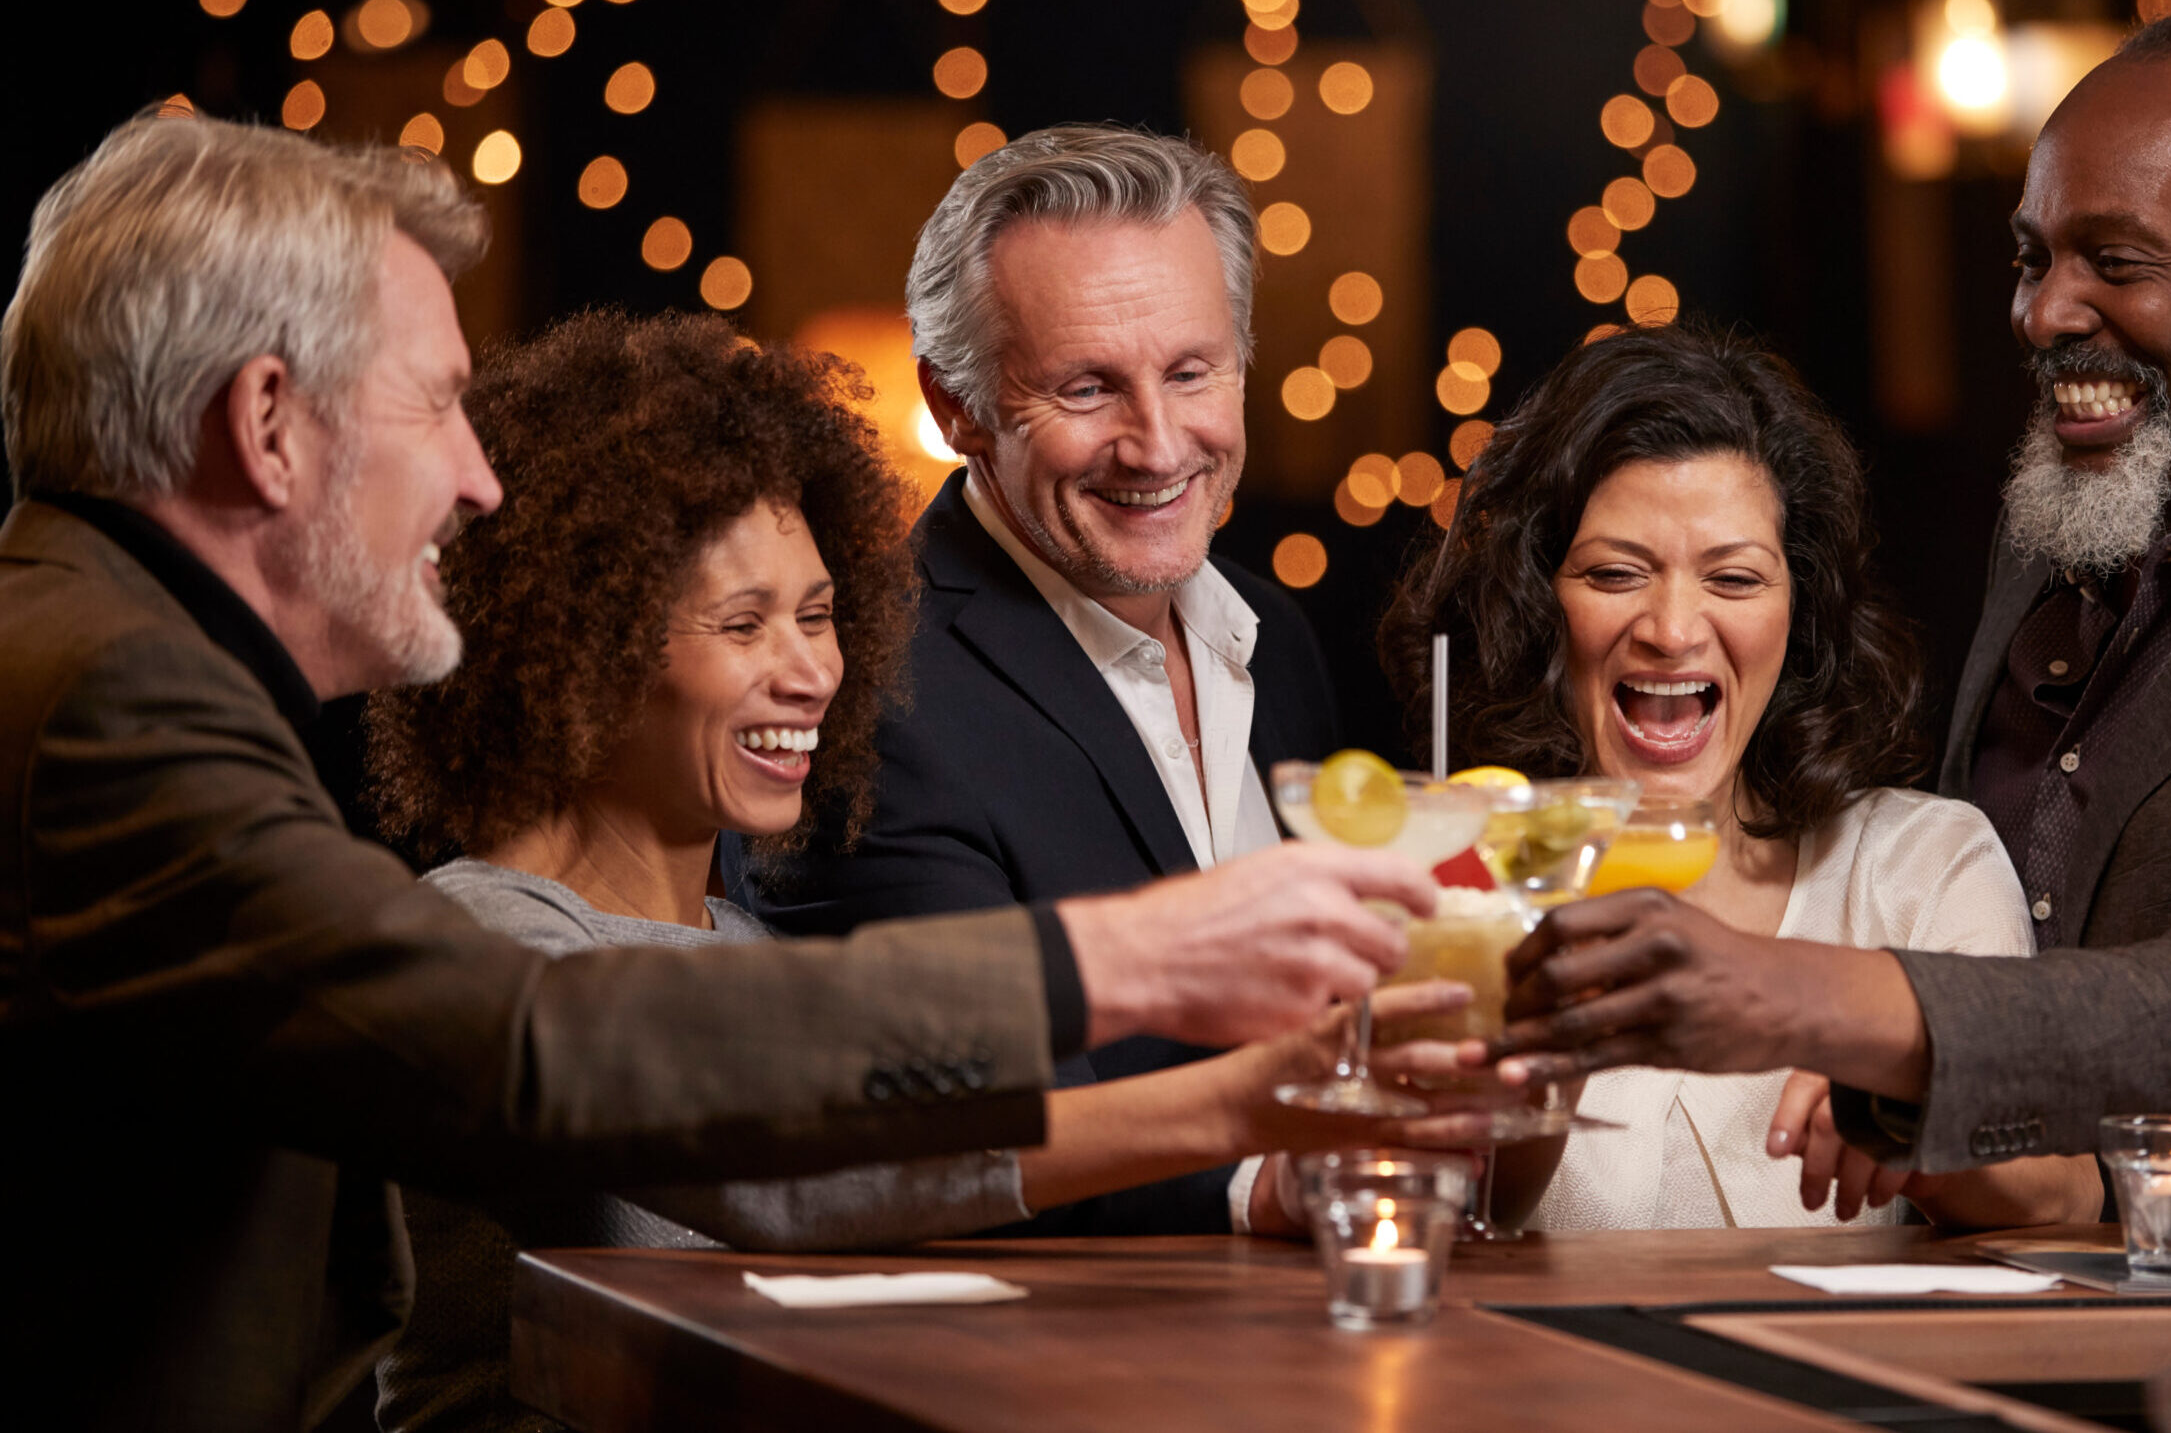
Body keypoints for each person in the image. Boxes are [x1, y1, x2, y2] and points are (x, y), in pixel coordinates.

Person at [0, 112, 1434, 1432]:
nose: (475, 477)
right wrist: (1120, 963)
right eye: (434, 403)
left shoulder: (98, 649)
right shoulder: (110, 696)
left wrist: (1236, 1105)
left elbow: (796, 1156)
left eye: (814, 616)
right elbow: (548, 1048)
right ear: (266, 423)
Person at [1492, 8, 2171, 1221]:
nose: (2044, 315)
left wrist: (1799, 994)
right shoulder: (2062, 522)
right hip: (2000, 1329)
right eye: (2033, 257)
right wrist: (1909, 1099)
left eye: (2118, 261)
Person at [363, 309, 1473, 1433]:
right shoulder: (479, 936)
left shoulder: (748, 941)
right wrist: (1237, 1100)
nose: (813, 673)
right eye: (744, 625)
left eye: (820, 614)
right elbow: (794, 1164)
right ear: (576, 656)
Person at [723, 125, 1341, 1235]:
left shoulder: (1277, 639)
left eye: (1192, 371)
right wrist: (1261, 1181)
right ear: (957, 408)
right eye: (1087, 388)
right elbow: (932, 1120)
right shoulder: (859, 691)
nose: (1157, 446)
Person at [1380, 324, 2099, 1230]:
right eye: (1614, 572)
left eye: (1733, 578)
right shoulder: (1444, 875)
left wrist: (1914, 1111)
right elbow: (1398, 1209)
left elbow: (2069, 1195)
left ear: (1797, 615)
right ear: (1536, 604)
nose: (1673, 628)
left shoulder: (1919, 869)